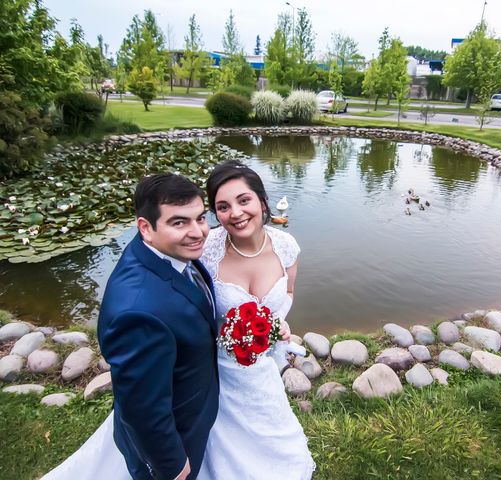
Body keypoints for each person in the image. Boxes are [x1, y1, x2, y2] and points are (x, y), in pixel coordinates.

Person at [43, 174, 219, 480]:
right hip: (175, 443)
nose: (198, 232)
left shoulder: (166, 254)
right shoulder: (139, 313)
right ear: (145, 228)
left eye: (201, 218)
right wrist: (172, 464)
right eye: (179, 222)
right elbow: (143, 406)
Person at [197, 159, 315, 479]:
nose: (235, 213)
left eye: (243, 200)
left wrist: (277, 323)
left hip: (260, 367)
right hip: (214, 371)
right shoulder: (205, 250)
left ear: (262, 202)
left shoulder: (286, 246)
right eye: (222, 206)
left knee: (274, 441)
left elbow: (288, 293)